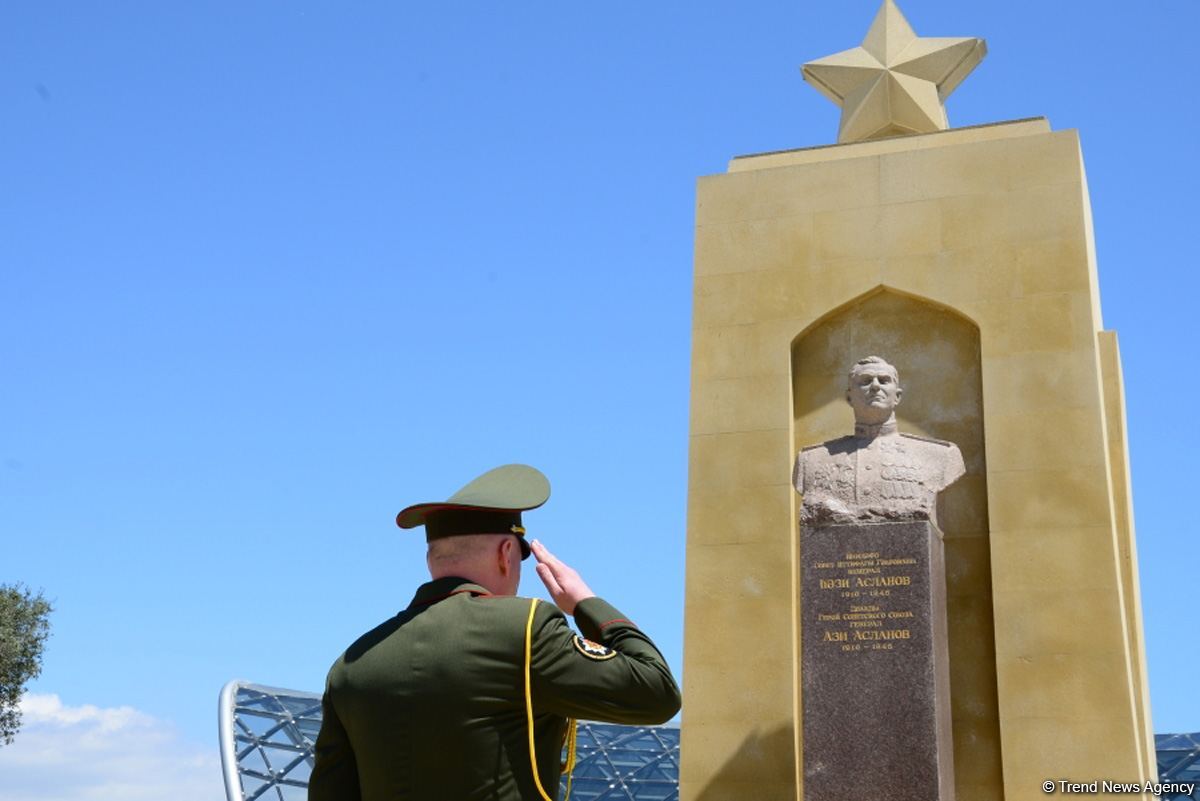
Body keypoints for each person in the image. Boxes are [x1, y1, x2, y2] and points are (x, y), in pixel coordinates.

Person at [308, 464, 681, 801]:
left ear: (430, 560)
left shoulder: (351, 665)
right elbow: (657, 691)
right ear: (506, 553)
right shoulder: (525, 630)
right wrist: (585, 603)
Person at [794, 355, 965, 526]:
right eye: (865, 381)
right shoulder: (811, 461)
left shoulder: (939, 456)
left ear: (897, 396)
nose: (875, 386)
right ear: (849, 397)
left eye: (884, 381)